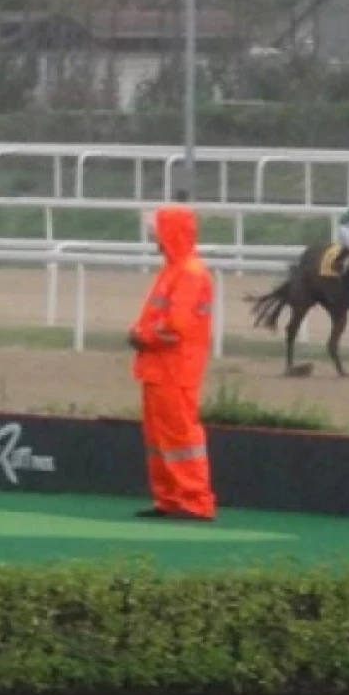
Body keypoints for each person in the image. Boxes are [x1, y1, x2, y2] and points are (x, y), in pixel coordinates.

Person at [128, 204, 216, 522]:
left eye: (158, 230)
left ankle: (194, 500)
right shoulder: (174, 270)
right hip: (158, 369)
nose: (154, 237)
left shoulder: (189, 273)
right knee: (158, 438)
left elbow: (175, 328)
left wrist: (142, 336)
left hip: (175, 369)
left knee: (180, 436)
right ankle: (168, 498)